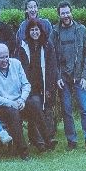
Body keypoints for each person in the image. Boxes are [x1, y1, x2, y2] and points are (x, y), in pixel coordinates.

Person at [52, 2, 86, 150]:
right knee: (66, 110)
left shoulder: (81, 30)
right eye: (62, 13)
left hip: (79, 77)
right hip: (63, 78)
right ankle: (72, 140)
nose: (65, 16)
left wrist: (85, 76)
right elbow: (53, 57)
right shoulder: (55, 32)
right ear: (59, 15)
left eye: (67, 12)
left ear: (72, 12)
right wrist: (57, 76)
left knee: (85, 108)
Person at [0, 42, 33, 159]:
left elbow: (26, 85)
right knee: (13, 114)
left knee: (35, 103)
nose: (5, 60)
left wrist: (22, 99)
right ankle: (22, 150)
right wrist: (11, 103)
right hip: (2, 106)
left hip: (19, 100)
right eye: (1, 57)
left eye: (6, 56)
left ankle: (45, 140)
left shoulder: (17, 64)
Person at [17, 19, 57, 151]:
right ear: (28, 32)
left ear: (41, 31)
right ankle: (40, 141)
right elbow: (20, 68)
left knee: (46, 110)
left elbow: (52, 67)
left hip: (44, 85)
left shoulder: (47, 45)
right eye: (32, 30)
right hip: (29, 87)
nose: (35, 32)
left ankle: (46, 138)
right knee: (36, 107)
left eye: (37, 30)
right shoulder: (23, 47)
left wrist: (50, 88)